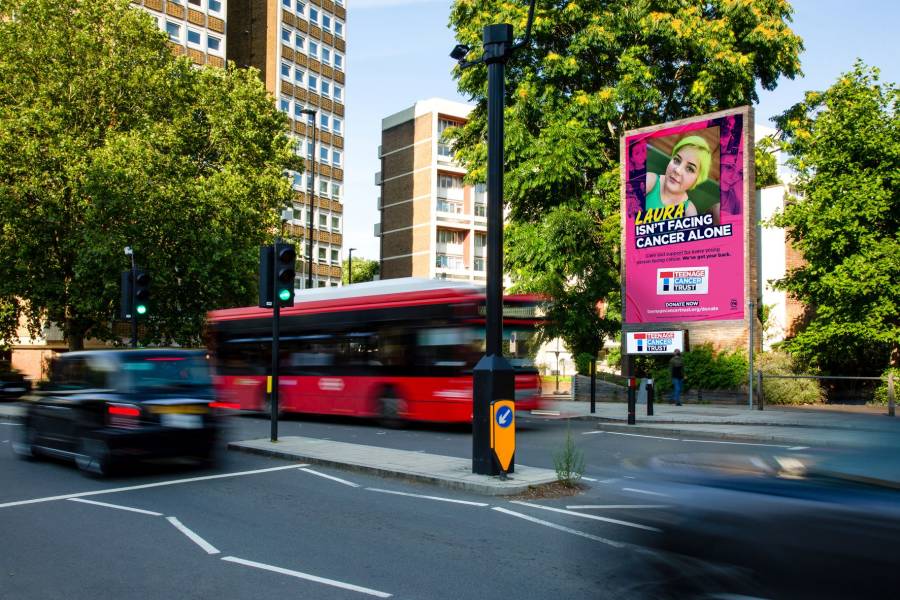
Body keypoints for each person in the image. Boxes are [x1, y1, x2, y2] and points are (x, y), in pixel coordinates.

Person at [645, 135, 713, 219]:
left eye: (690, 169)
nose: (678, 170)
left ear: (697, 180)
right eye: (677, 160)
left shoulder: (688, 211)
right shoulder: (649, 180)